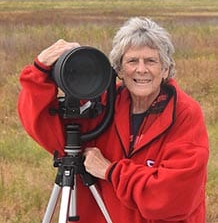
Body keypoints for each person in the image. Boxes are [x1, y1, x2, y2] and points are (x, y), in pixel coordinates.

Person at [17, 17, 209, 223]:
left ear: (165, 70)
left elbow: (173, 198)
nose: (141, 69)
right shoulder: (102, 106)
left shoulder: (183, 113)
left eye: (151, 61)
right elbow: (44, 126)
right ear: (118, 70)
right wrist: (40, 71)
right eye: (132, 61)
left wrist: (111, 171)